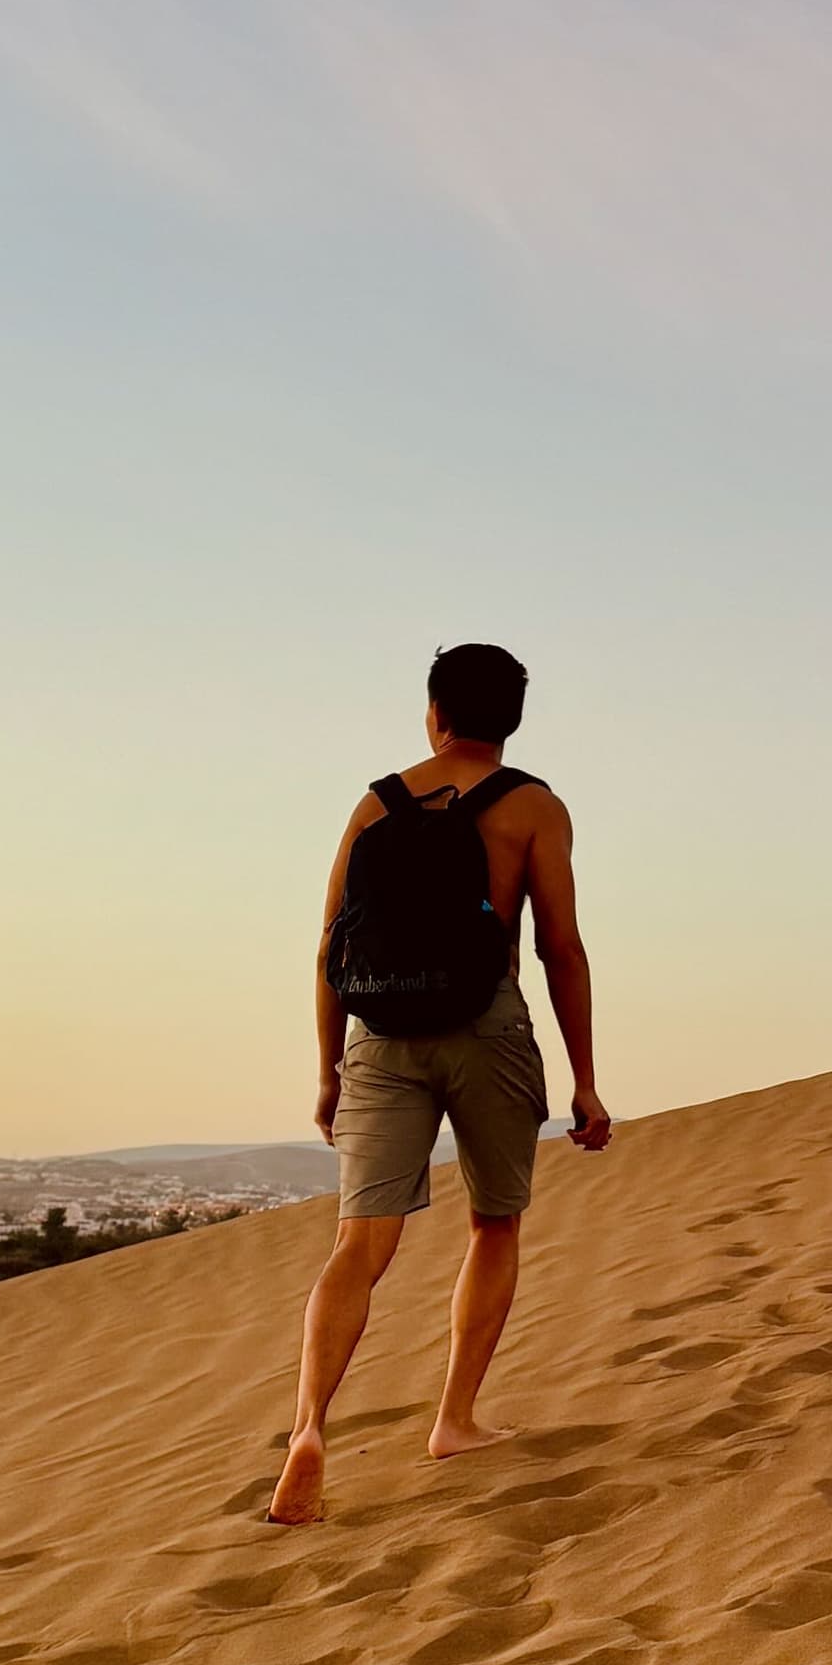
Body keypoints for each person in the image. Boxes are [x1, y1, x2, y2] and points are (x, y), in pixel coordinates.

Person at [268, 640, 608, 1523]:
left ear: (435, 712)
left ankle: (309, 1426)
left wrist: (327, 1070)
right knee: (494, 1222)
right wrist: (585, 1082)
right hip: (485, 1025)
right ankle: (453, 1419)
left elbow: (328, 949)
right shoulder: (533, 807)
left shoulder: (376, 804)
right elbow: (558, 947)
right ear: (514, 718)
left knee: (360, 1243)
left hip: (381, 1034)